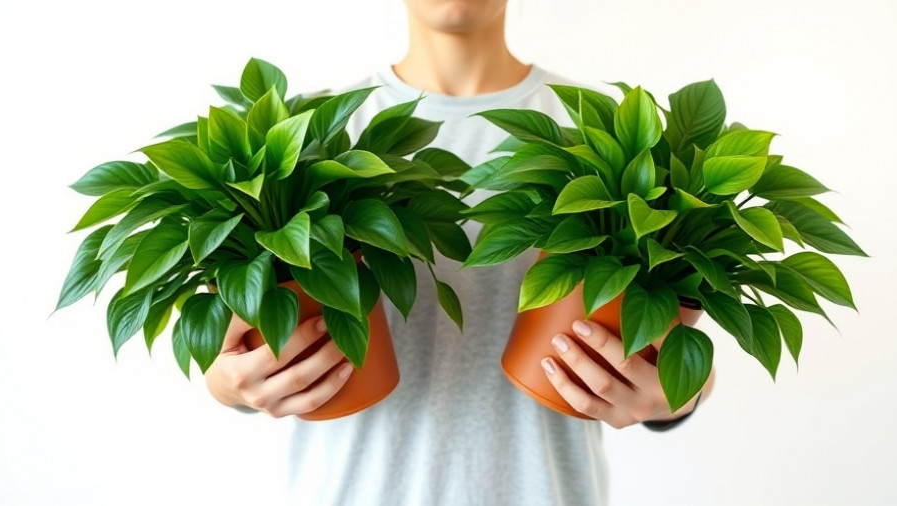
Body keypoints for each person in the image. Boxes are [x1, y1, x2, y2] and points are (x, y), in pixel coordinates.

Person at [205, 0, 717, 504]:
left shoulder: (605, 123)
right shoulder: (310, 130)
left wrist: (683, 387)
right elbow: (239, 334)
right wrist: (228, 384)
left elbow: (671, 319)